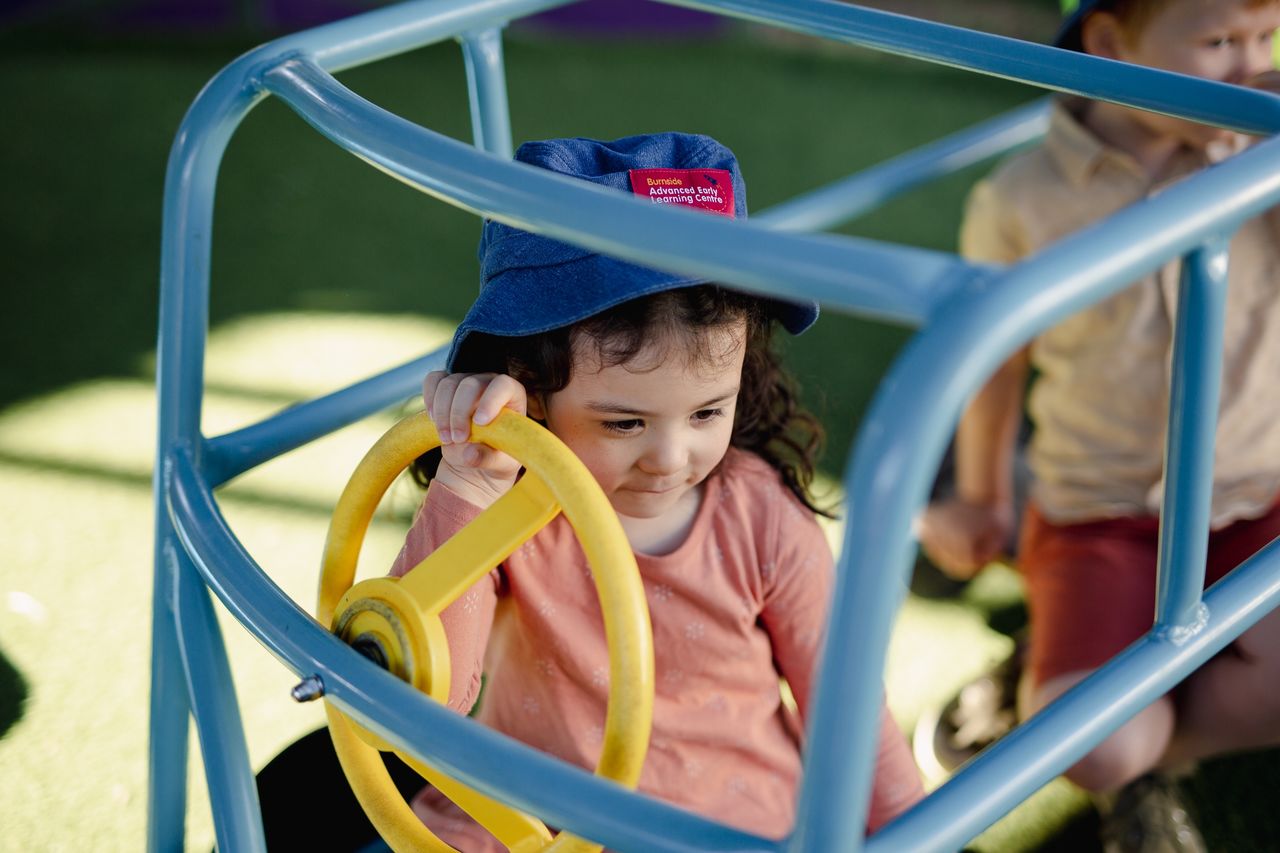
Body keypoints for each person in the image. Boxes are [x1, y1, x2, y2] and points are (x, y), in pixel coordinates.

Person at [392, 132, 925, 848]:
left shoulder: (762, 521)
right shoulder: (506, 504)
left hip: (723, 829)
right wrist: (467, 480)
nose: (672, 457)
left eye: (708, 410)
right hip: (524, 822)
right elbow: (430, 700)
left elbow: (846, 710)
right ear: (530, 385)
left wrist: (916, 834)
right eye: (625, 421)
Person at [919, 0, 1280, 849]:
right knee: (1101, 747)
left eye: (1266, 39)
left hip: (1253, 497)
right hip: (1100, 512)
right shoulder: (1020, 201)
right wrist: (979, 496)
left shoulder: (1260, 156)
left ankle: (1095, 714)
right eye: (1223, 42)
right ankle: (1081, 711)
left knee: (1116, 728)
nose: (1256, 67)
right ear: (1111, 43)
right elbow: (995, 363)